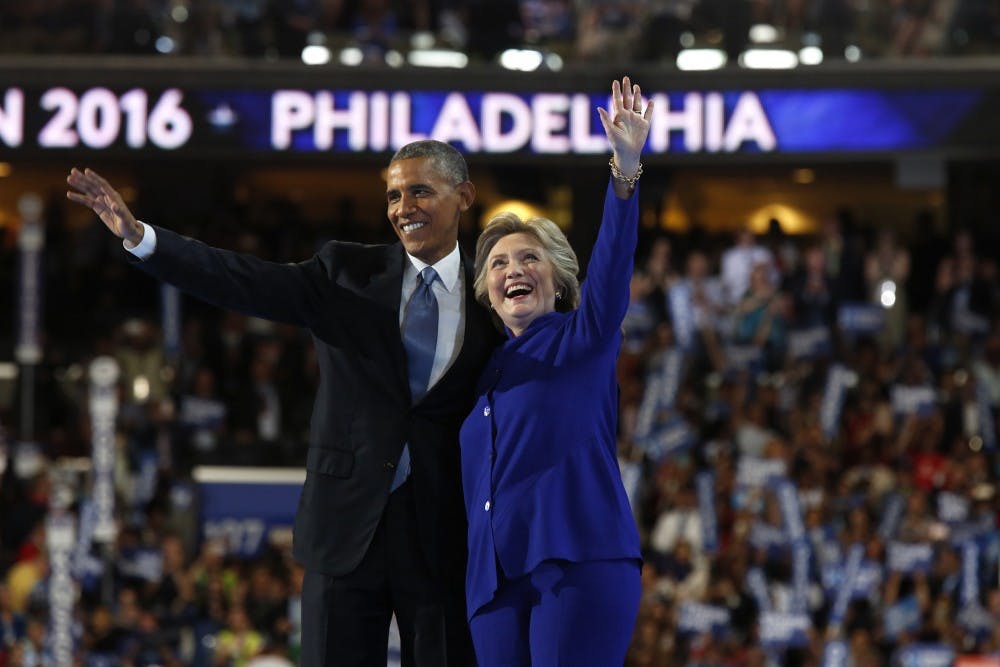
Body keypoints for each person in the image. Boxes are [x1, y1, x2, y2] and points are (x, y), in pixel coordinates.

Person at [66, 140, 504, 666]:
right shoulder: (346, 272)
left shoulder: (493, 291)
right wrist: (142, 238)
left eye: (419, 192)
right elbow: (243, 281)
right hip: (344, 526)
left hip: (443, 534)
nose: (402, 208)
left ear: (464, 196)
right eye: (392, 196)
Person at [458, 76, 650, 666]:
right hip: (493, 583)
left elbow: (612, 271)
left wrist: (625, 169)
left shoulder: (581, 338)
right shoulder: (479, 372)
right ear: (486, 292)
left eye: (528, 257)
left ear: (559, 279)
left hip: (577, 563)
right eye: (497, 264)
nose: (512, 269)